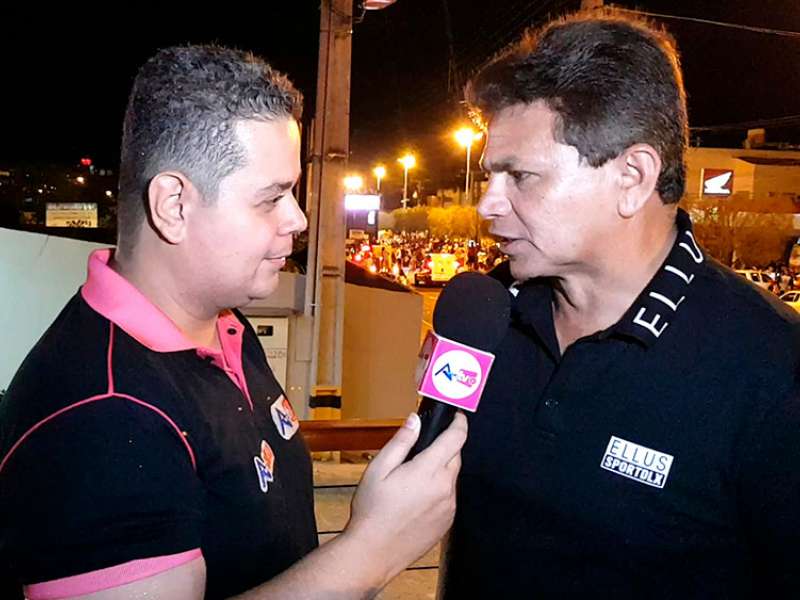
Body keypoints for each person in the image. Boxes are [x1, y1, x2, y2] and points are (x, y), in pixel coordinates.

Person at [0, 45, 466, 600]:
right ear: (173, 205)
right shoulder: (98, 415)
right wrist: (373, 550)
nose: (298, 218)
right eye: (271, 199)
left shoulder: (228, 325)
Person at [439, 9, 800, 599]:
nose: (487, 205)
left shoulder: (774, 371)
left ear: (632, 176)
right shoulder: (485, 317)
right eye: (489, 176)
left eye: (520, 176)